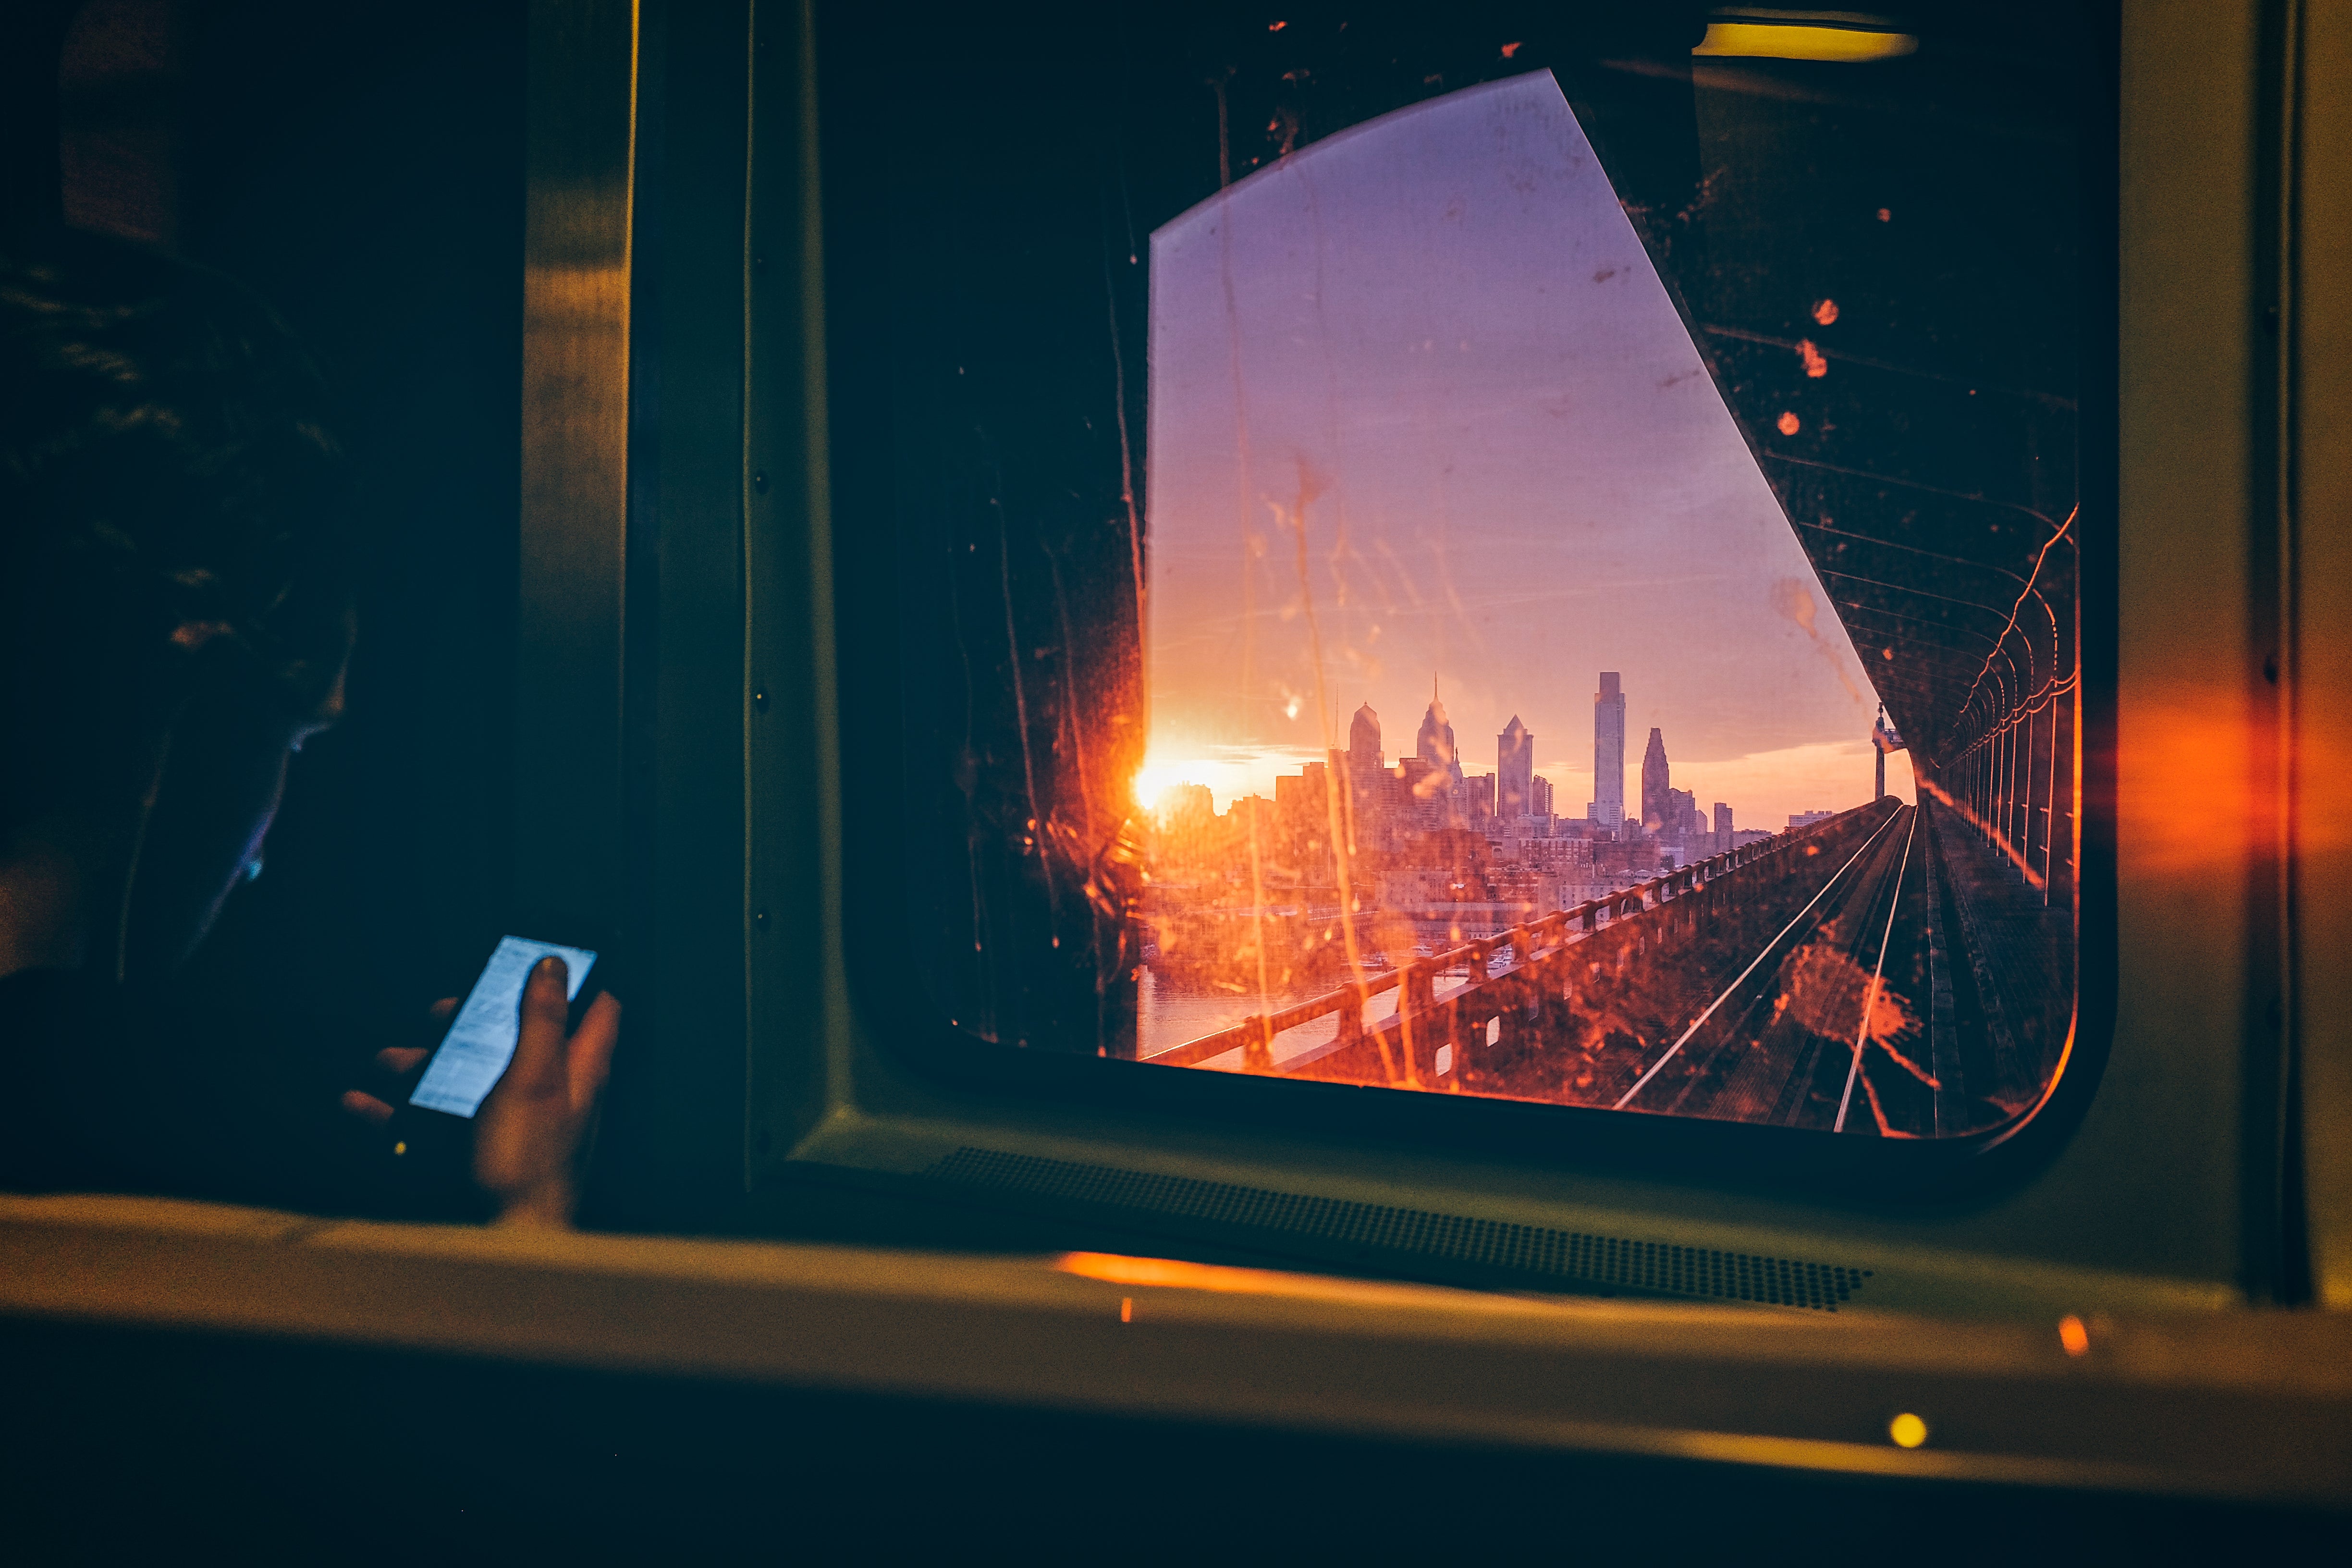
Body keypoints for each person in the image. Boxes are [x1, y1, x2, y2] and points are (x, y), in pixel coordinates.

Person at [0, 229, 617, 1227]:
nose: (258, 857)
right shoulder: (127, 1143)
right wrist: (529, 1211)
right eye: (287, 741)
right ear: (184, 705)